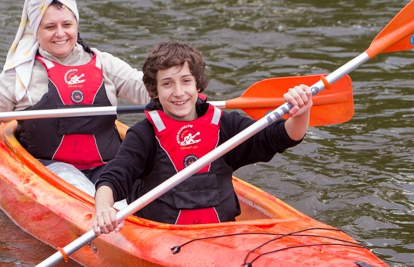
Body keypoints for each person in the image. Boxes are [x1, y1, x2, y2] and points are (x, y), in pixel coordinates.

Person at [93, 41, 313, 233]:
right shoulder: (144, 135)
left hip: (221, 237)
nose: (179, 92)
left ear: (197, 83)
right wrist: (104, 207)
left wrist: (301, 112)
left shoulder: (226, 125)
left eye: (186, 81)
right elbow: (114, 178)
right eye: (167, 83)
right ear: (154, 90)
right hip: (161, 240)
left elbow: (280, 137)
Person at [0, 0, 151, 186]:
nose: (60, 33)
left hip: (108, 166)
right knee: (83, 188)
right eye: (50, 27)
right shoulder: (20, 74)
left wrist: (183, 92)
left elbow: (146, 89)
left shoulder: (103, 63)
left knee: (125, 188)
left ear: (76, 25)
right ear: (36, 31)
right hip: (51, 172)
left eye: (67, 24)